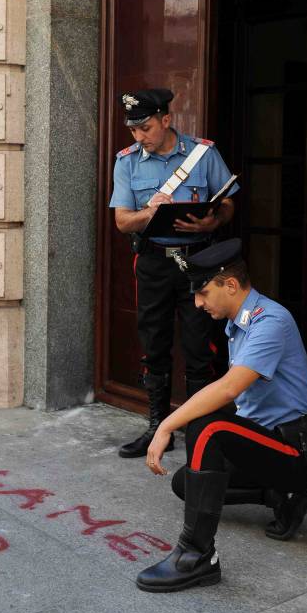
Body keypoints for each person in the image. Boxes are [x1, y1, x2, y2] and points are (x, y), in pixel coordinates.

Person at [136, 238, 307, 593]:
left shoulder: (271, 321)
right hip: (263, 443)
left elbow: (228, 389)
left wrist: (165, 425)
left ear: (232, 285)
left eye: (204, 292)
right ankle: (276, 497)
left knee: (208, 426)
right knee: (186, 484)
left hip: (293, 449)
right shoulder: (237, 323)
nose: (197, 302)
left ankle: (197, 556)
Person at [109, 88, 239, 458]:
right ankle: (156, 427)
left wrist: (211, 221)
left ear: (166, 120)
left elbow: (228, 202)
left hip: (198, 260)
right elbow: (122, 222)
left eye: (146, 128)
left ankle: (201, 432)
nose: (139, 137)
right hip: (152, 262)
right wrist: (151, 212)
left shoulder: (203, 153)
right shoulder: (128, 161)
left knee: (200, 347)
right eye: (133, 130)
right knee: (154, 345)